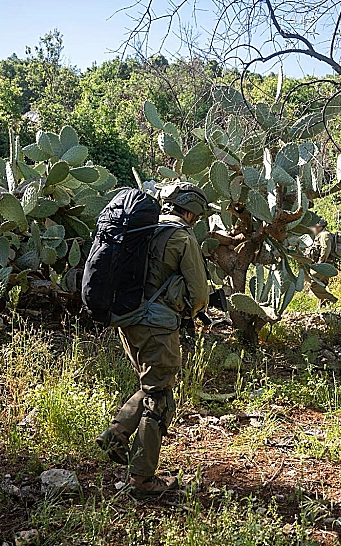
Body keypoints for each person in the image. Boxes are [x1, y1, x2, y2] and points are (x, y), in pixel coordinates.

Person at [96, 183, 209, 496]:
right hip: (155, 325)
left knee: (152, 385)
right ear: (191, 211)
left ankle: (116, 434)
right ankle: (142, 479)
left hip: (126, 319)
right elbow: (199, 294)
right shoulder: (182, 236)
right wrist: (189, 312)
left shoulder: (142, 228)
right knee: (159, 398)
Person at [307, 217, 339, 307]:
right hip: (325, 265)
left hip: (324, 265)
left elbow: (325, 249)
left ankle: (331, 299)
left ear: (320, 227)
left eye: (313, 227)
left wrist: (320, 264)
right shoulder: (322, 234)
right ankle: (323, 305)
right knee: (321, 285)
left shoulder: (324, 235)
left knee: (313, 283)